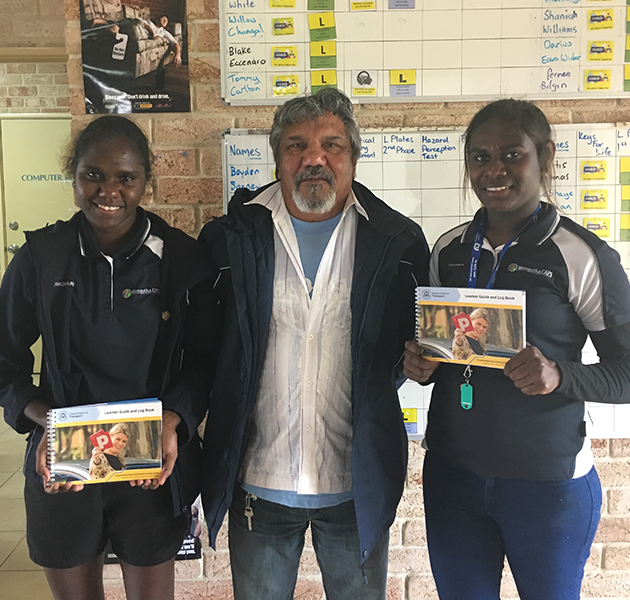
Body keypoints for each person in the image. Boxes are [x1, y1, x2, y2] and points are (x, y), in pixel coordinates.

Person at [199, 88, 430, 599]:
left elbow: (402, 349)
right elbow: (208, 352)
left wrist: (416, 361)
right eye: (296, 145)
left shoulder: (399, 242)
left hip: (356, 491)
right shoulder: (229, 239)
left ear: (353, 156)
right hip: (258, 483)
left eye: (332, 144)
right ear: (278, 156)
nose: (314, 158)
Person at [403, 99, 630, 600]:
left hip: (547, 489)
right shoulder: (450, 250)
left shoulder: (581, 255)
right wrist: (421, 365)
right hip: (453, 479)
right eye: (480, 157)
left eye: (512, 154)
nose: (494, 170)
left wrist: (560, 375)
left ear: (545, 157)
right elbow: (449, 360)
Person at [0, 116, 215, 600]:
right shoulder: (40, 257)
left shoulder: (181, 258)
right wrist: (45, 422)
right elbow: (5, 363)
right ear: (73, 176)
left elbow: (204, 361)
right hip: (67, 459)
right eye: (93, 174)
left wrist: (174, 419)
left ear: (145, 182)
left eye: (125, 177)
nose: (108, 190)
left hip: (149, 460)